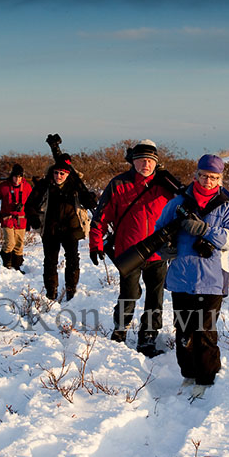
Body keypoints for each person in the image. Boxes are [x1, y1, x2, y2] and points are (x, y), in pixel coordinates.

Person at [155, 154, 229, 399]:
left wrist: (206, 230)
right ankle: (189, 374)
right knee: (183, 330)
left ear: (220, 179)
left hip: (212, 279)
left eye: (214, 177)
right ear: (196, 175)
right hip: (182, 277)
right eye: (204, 175)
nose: (208, 181)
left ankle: (207, 377)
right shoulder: (177, 202)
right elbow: (159, 229)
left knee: (204, 331)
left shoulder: (225, 207)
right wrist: (166, 246)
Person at [89, 140, 177, 357]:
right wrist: (95, 243)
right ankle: (120, 329)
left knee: (155, 296)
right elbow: (101, 216)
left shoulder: (166, 185)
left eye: (150, 161)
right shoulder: (119, 184)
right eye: (141, 160)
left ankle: (148, 336)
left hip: (158, 252)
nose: (145, 164)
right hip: (129, 252)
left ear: (156, 163)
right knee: (128, 293)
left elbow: (182, 211)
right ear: (133, 162)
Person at [25, 152, 97, 301]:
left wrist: (91, 199)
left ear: (67, 174)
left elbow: (88, 202)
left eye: (62, 173)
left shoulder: (75, 186)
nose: (58, 176)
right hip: (50, 230)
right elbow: (30, 204)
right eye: (56, 173)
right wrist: (33, 219)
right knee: (50, 261)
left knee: (73, 260)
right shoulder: (44, 185)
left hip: (72, 229)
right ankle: (51, 292)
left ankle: (71, 290)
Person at [0, 163, 32, 272]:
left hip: (21, 219)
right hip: (7, 218)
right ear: (12, 176)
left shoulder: (27, 187)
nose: (17, 179)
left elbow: (33, 201)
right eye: (15, 176)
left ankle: (17, 266)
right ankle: (6, 264)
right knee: (9, 242)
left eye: (20, 177)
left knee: (19, 244)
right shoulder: (4, 186)